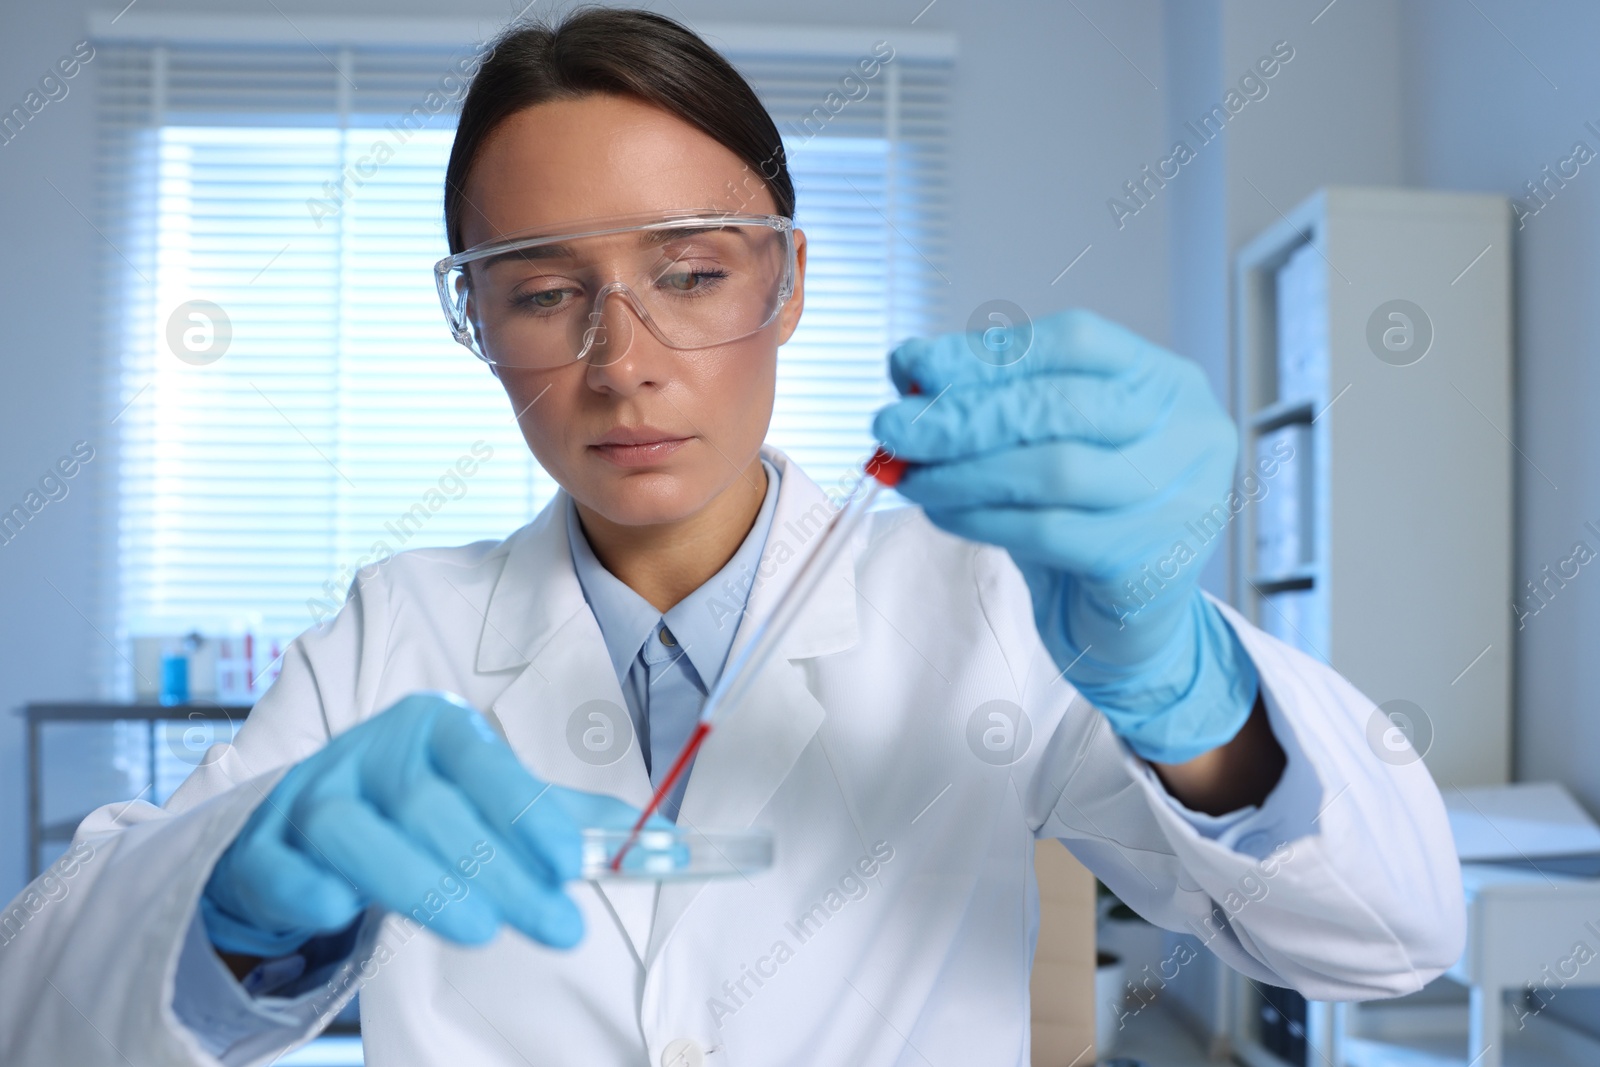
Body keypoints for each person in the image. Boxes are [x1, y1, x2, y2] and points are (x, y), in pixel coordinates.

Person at [0, 8, 1463, 1066]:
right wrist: (238, 903)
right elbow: (37, 1014)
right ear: (477, 322)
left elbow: (1390, 943)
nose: (623, 361)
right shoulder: (399, 632)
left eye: (692, 273)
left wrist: (1184, 680)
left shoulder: (979, 604)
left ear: (788, 280)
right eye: (540, 292)